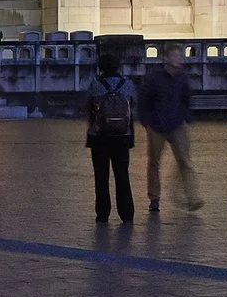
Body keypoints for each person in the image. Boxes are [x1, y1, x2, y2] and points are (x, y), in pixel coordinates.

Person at [138, 44, 203, 213]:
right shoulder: (155, 77)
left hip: (176, 123)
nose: (178, 59)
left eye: (180, 56)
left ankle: (193, 198)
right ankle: (154, 199)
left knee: (185, 161)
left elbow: (186, 99)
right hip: (157, 124)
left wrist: (185, 116)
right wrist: (146, 120)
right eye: (175, 55)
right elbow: (144, 98)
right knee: (154, 162)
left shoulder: (182, 77)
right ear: (167, 58)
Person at [84, 50, 138, 224]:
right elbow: (132, 110)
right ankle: (127, 213)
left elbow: (87, 108)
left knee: (101, 177)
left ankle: (102, 213)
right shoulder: (127, 85)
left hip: (99, 136)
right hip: (122, 135)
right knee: (122, 175)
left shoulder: (95, 85)